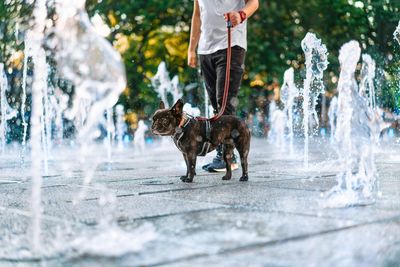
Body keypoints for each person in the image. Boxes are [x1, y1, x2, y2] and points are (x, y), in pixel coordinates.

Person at [187, 0, 259, 172]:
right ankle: (223, 152)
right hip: (205, 49)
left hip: (231, 44)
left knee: (224, 103)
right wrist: (191, 48)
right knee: (215, 105)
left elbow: (254, 2)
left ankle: (227, 157)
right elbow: (197, 14)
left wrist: (241, 15)